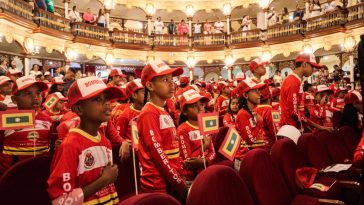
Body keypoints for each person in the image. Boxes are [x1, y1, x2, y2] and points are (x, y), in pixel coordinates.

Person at [47, 76, 123, 205]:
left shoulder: (106, 142)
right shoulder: (70, 146)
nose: (107, 104)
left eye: (107, 99)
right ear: (79, 109)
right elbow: (61, 200)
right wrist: (103, 180)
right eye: (97, 99)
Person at [138, 60, 187, 202]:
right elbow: (157, 152)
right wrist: (177, 180)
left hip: (170, 179)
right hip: (158, 184)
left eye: (172, 80)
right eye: (165, 80)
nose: (172, 84)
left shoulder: (163, 111)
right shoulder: (149, 113)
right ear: (150, 85)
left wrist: (179, 174)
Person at [0, 76, 52, 174]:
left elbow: (48, 144)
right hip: (11, 176)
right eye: (28, 94)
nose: (35, 97)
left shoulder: (47, 120)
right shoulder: (5, 119)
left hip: (40, 173)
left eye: (38, 93)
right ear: (15, 99)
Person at [177, 89, 215, 183]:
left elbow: (212, 152)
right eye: (194, 106)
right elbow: (188, 161)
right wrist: (204, 146)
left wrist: (205, 162)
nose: (200, 108)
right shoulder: (183, 130)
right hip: (191, 178)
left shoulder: (205, 125)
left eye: (202, 104)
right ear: (185, 112)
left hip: (206, 171)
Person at [233, 78, 267, 170]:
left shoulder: (252, 112)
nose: (259, 94)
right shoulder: (243, 114)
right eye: (255, 91)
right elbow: (250, 140)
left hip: (253, 156)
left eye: (258, 91)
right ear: (245, 95)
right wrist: (259, 123)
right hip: (244, 159)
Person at [279, 54, 319, 130]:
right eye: (312, 67)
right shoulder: (293, 82)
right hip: (291, 128)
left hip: (293, 125)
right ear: (304, 65)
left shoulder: (295, 80)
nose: (313, 70)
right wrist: (319, 127)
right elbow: (294, 113)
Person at [115, 79, 144, 160]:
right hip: (133, 156)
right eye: (143, 92)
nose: (147, 95)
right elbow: (119, 137)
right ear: (134, 95)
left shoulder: (150, 111)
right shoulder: (125, 115)